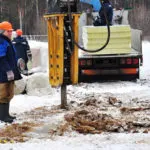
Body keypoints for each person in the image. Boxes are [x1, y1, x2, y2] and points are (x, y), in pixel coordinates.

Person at [0, 21, 22, 123]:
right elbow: (1, 58)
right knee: (3, 95)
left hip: (10, 72)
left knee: (9, 94)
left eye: (10, 31)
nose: (10, 33)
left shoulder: (8, 41)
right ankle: (2, 116)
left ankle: (6, 114)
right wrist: (8, 70)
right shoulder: (1, 41)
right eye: (8, 31)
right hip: (3, 73)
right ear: (3, 31)